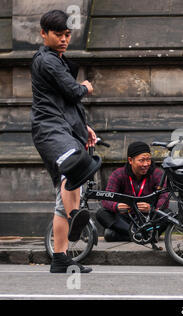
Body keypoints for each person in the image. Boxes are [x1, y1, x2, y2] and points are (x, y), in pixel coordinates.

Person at [31, 10, 98, 273]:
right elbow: (73, 92)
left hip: (65, 128)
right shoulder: (47, 61)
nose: (63, 39)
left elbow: (67, 104)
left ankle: (59, 258)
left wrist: (84, 128)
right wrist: (86, 87)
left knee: (65, 194)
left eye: (67, 35)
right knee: (75, 162)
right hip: (49, 129)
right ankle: (74, 217)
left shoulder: (58, 60)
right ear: (43, 34)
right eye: (58, 34)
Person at [96, 141, 169, 242]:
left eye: (148, 160)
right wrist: (116, 206)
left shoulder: (157, 174)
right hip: (126, 218)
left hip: (148, 218)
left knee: (167, 214)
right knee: (101, 213)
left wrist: (151, 208)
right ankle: (142, 235)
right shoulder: (118, 174)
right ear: (130, 160)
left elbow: (165, 197)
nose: (146, 164)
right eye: (142, 160)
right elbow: (106, 199)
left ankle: (122, 235)